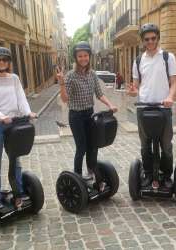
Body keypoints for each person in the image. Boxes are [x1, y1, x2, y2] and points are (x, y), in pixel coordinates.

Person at [58, 41, 118, 191]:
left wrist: (110, 105)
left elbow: (99, 94)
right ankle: (77, 178)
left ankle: (92, 172)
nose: (83, 58)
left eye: (85, 55)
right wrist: (61, 84)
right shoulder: (70, 76)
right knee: (81, 147)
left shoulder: (92, 74)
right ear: (76, 58)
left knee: (93, 146)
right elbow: (65, 99)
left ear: (89, 57)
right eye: (80, 56)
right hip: (76, 116)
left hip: (90, 115)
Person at [0, 47, 36, 209]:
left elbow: (21, 98)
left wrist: (28, 112)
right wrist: (1, 117)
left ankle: (18, 193)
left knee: (16, 162)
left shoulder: (14, 78)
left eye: (4, 60)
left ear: (9, 62)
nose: (1, 62)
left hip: (13, 125)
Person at [127, 23, 176, 189]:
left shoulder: (167, 57)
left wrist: (170, 97)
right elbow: (136, 86)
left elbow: (174, 82)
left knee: (166, 145)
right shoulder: (138, 60)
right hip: (144, 108)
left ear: (158, 38)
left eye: (153, 38)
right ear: (142, 41)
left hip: (163, 108)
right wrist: (133, 91)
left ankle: (166, 175)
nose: (150, 41)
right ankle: (149, 175)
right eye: (147, 39)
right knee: (145, 145)